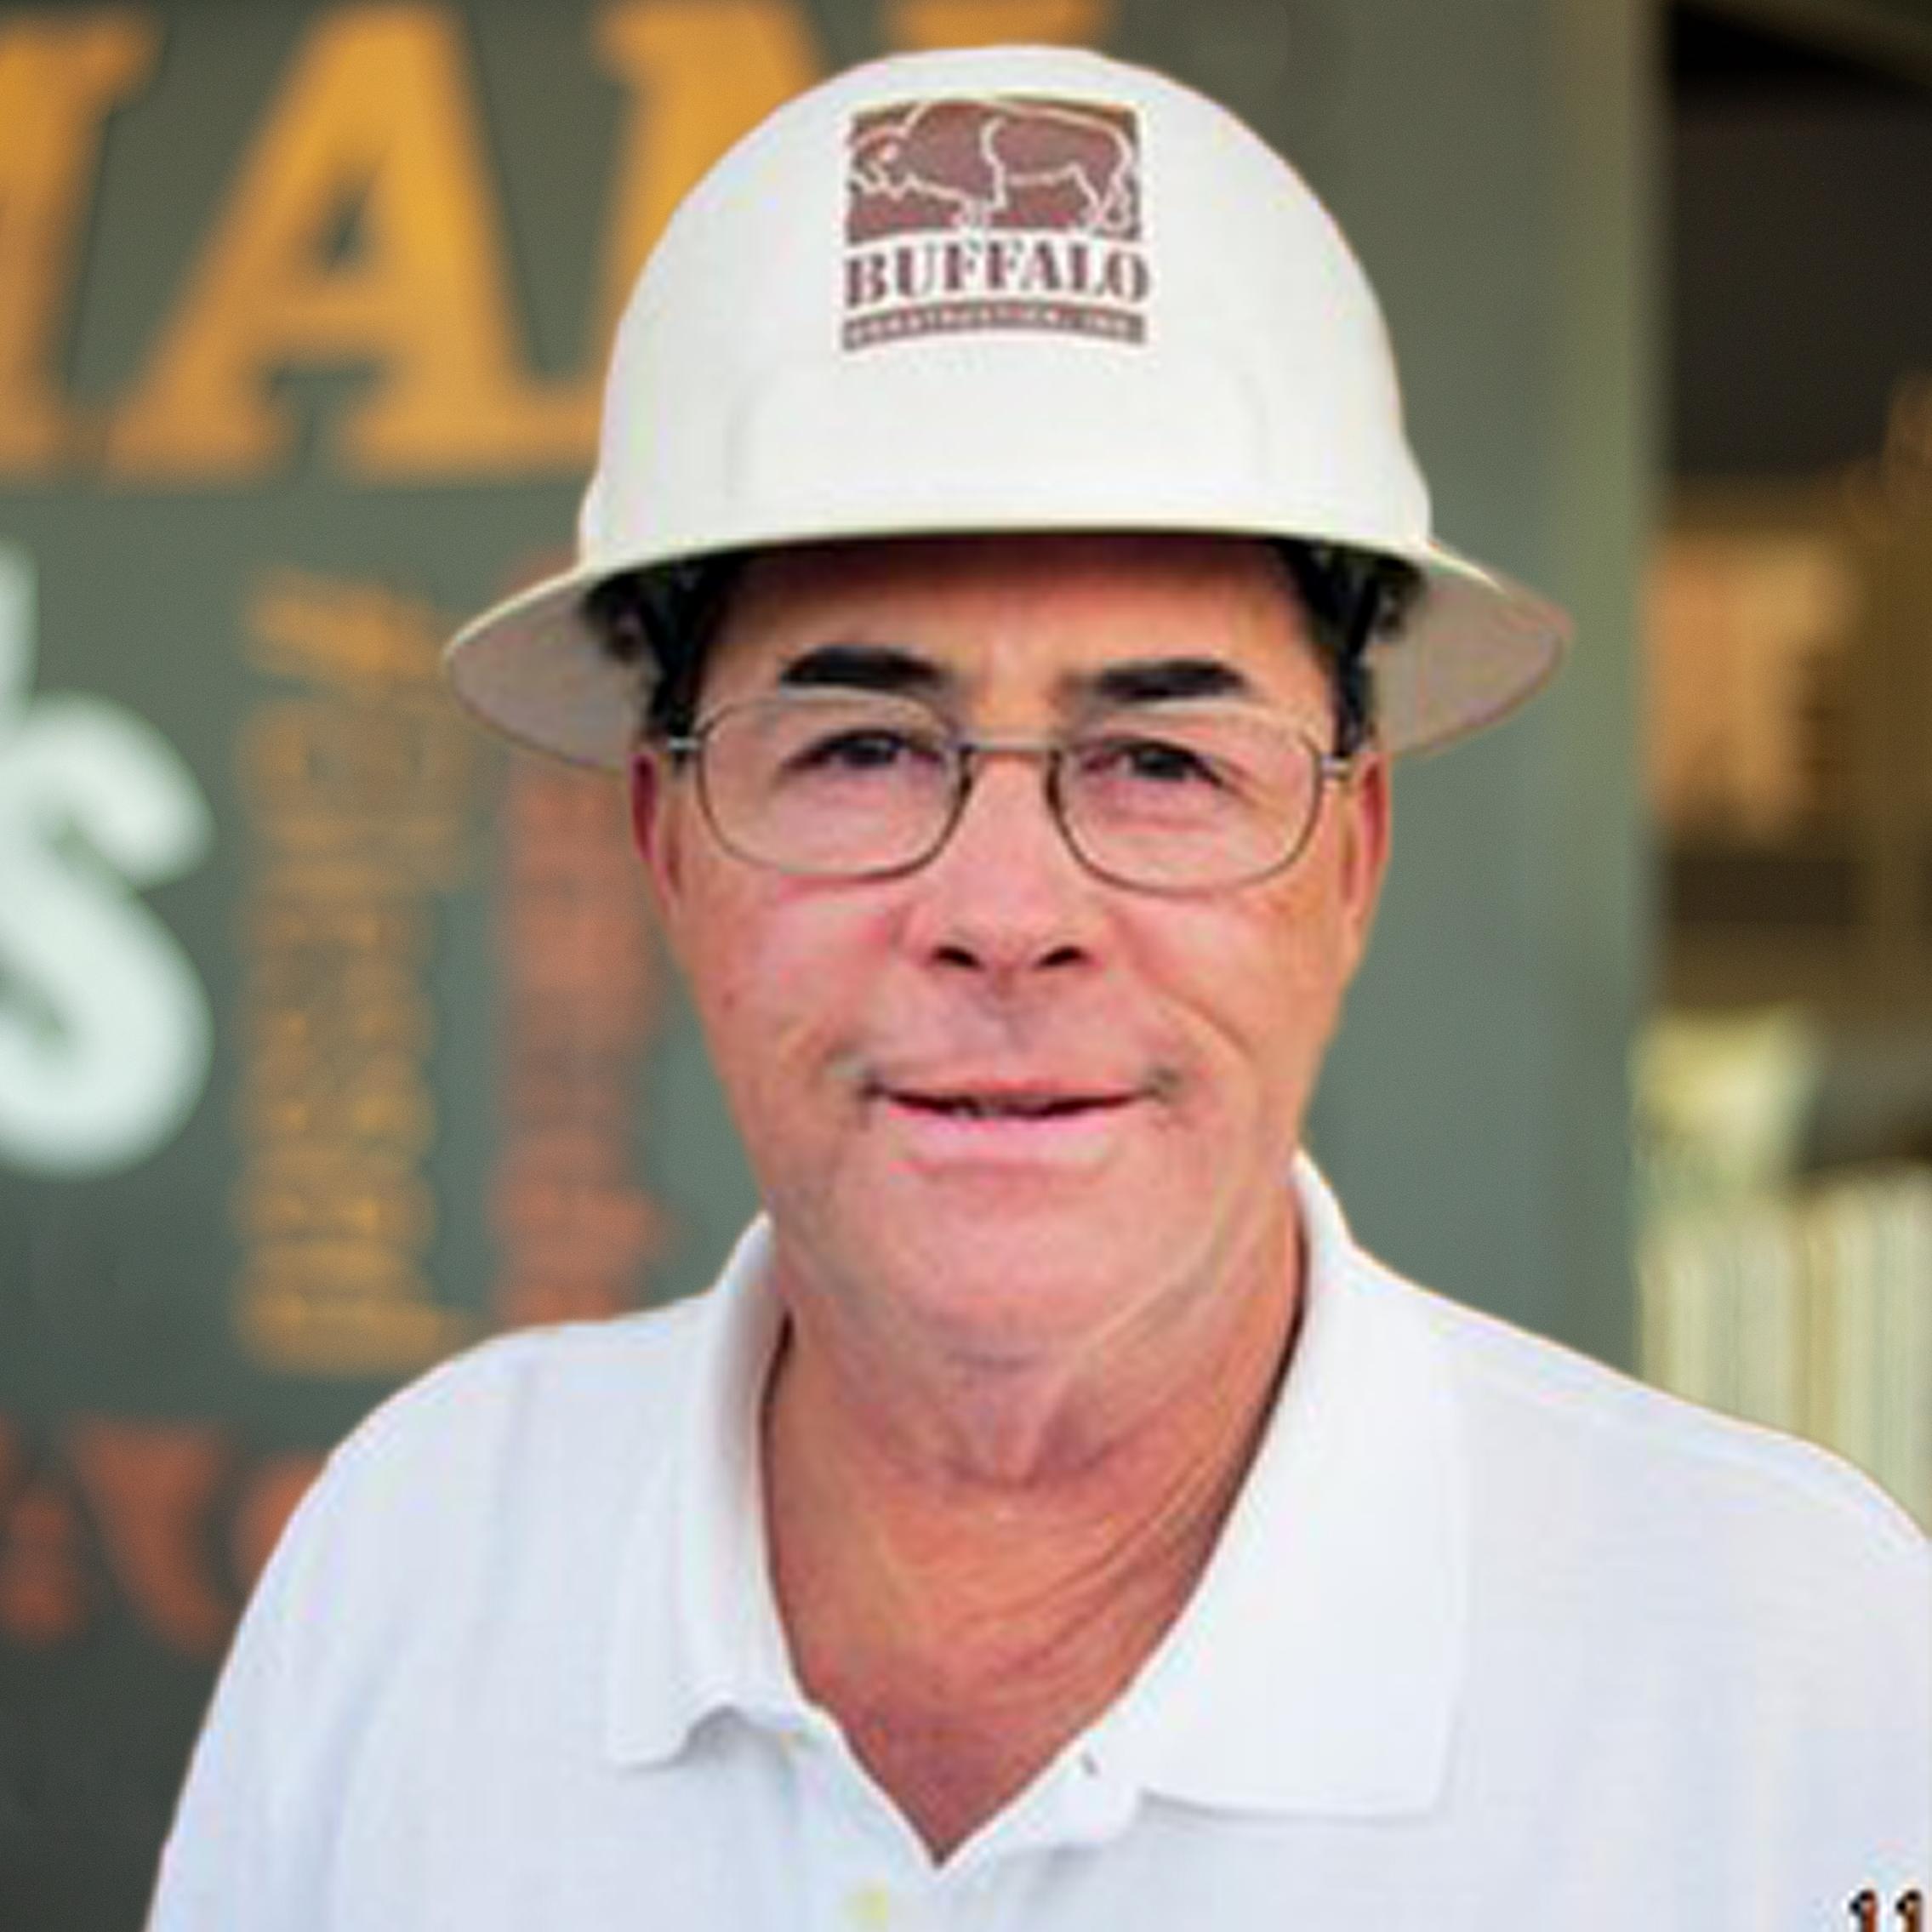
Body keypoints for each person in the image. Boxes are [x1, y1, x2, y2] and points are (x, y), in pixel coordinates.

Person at [150, 43, 1928, 1929]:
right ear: (666, 842)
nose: (1006, 910)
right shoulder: (413, 1552)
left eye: (1161, 762)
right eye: (855, 745)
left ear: (1348, 854)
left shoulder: (1791, 1670)